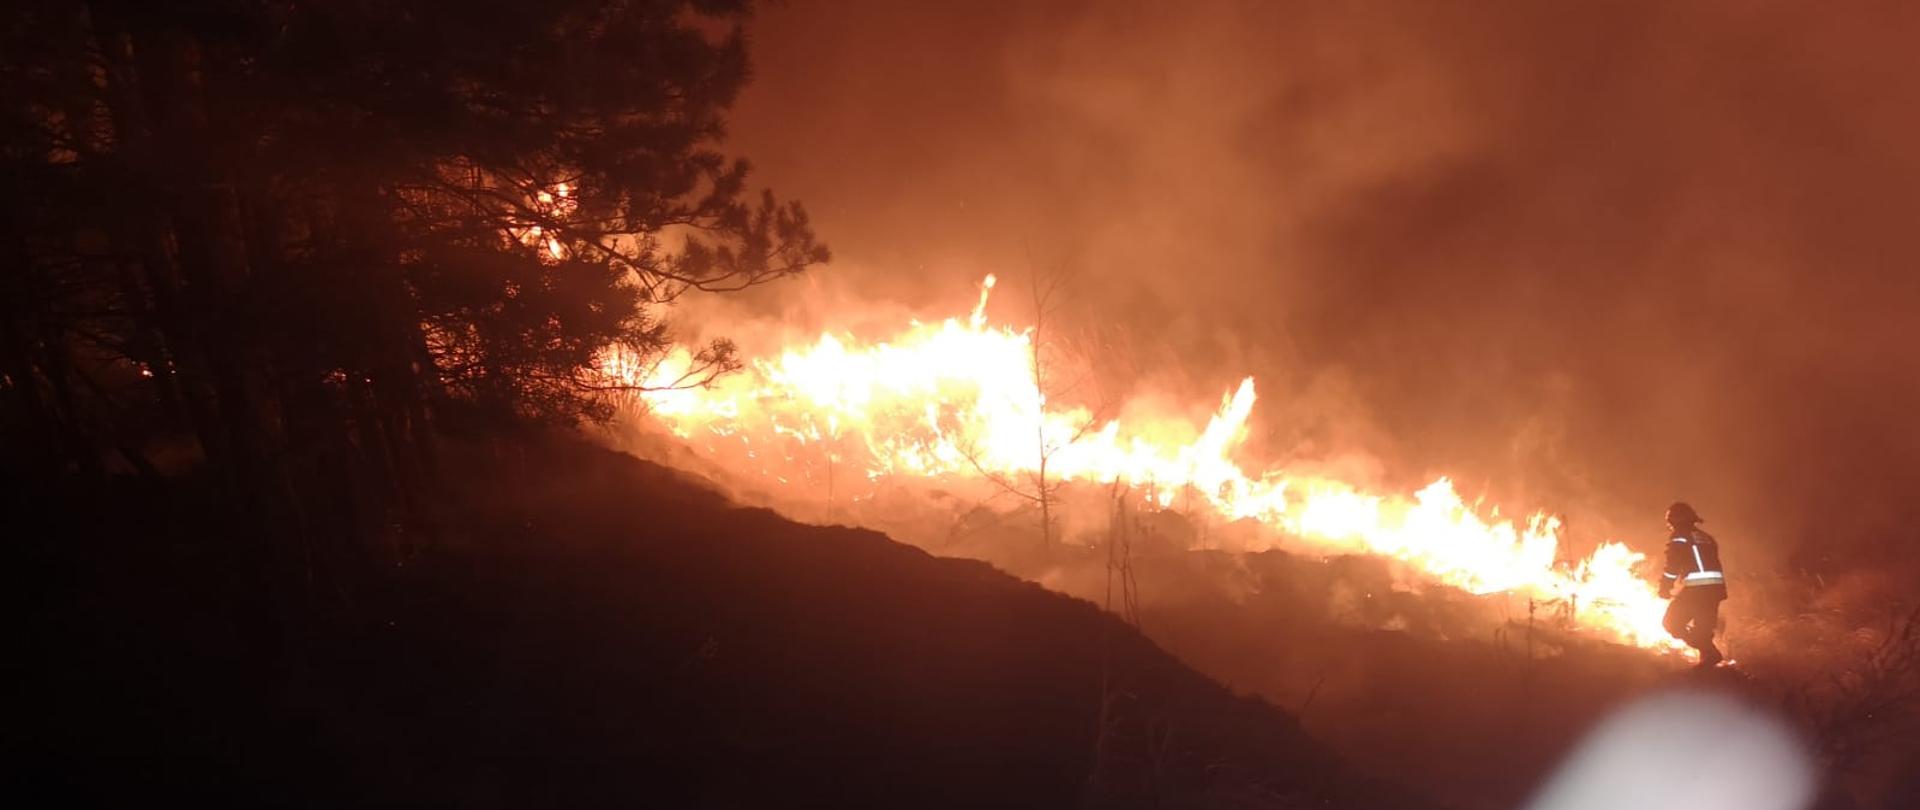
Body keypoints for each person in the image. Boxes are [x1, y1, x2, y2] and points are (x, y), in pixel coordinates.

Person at [1659, 501, 1727, 668]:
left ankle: (1710, 653)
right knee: (1703, 629)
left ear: (1674, 520)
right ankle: (1708, 663)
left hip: (1697, 590)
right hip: (1715, 590)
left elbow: (1672, 565)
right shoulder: (1706, 538)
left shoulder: (1680, 537)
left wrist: (1665, 587)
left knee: (1671, 622)